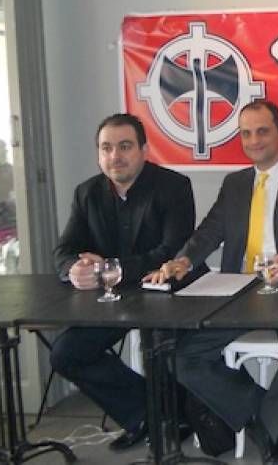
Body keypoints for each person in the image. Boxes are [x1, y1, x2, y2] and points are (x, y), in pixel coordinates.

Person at [148, 99, 278, 465]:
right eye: (246, 134)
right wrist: (184, 259)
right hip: (238, 290)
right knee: (183, 359)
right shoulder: (234, 184)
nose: (254, 141)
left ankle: (267, 425)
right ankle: (266, 419)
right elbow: (209, 231)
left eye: (262, 131)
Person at [52, 113, 195, 451]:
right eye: (106, 148)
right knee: (66, 353)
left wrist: (111, 269)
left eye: (125, 146)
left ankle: (173, 414)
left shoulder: (174, 187)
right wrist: (74, 269)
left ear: (144, 150)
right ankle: (147, 414)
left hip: (164, 295)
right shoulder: (87, 193)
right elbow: (64, 250)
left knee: (159, 348)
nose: (115, 156)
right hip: (110, 301)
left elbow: (171, 251)